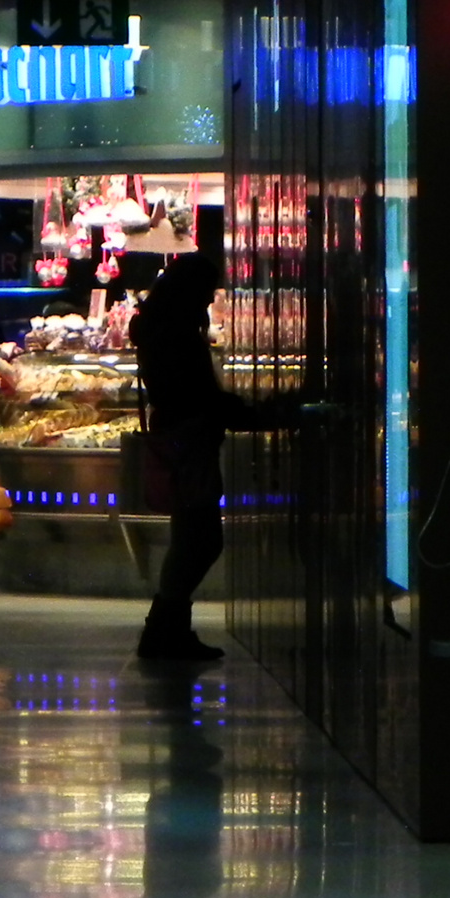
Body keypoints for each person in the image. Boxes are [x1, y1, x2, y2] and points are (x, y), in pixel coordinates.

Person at [129, 252, 261, 660]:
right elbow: (198, 394)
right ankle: (165, 630)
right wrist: (251, 411)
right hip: (191, 442)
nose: (210, 295)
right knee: (200, 538)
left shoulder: (157, 327)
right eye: (208, 287)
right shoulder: (179, 334)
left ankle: (167, 630)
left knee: (191, 537)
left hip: (178, 438)